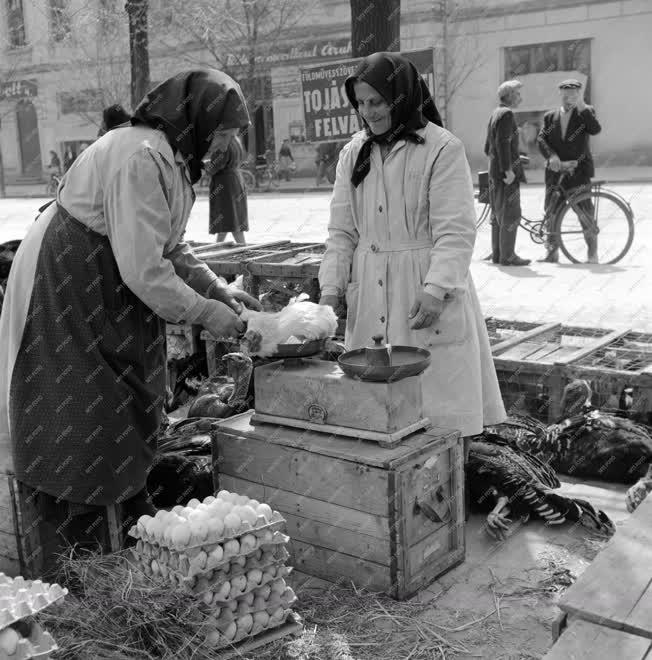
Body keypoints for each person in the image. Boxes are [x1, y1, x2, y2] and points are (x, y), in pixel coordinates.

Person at [0, 69, 261, 574]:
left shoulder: (176, 160)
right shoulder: (142, 157)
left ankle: (118, 536)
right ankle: (73, 563)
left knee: (118, 402)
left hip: (107, 283)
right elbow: (145, 270)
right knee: (77, 410)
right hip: (71, 285)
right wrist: (211, 315)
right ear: (201, 120)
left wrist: (217, 289)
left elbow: (171, 245)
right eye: (225, 132)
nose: (229, 145)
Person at [318, 52, 506, 468]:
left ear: (400, 97)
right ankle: (392, 507)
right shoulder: (355, 154)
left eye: (377, 101)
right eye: (361, 104)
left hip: (425, 289)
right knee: (379, 407)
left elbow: (455, 230)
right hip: (371, 290)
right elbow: (341, 231)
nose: (368, 113)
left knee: (442, 404)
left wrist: (437, 288)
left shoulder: (442, 148)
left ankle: (446, 499)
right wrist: (330, 293)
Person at [537, 79, 602, 264]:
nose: (568, 98)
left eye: (573, 94)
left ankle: (592, 254)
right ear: (560, 95)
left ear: (579, 95)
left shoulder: (585, 113)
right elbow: (541, 139)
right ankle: (551, 253)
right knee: (551, 211)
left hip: (578, 171)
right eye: (565, 95)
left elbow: (595, 129)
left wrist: (581, 105)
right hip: (555, 173)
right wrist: (552, 156)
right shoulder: (550, 116)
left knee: (584, 212)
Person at [483, 80, 530, 266]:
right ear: (510, 96)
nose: (520, 97)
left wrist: (507, 161)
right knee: (511, 214)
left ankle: (498, 255)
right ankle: (508, 256)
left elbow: (488, 148)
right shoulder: (507, 114)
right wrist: (508, 169)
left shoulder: (495, 113)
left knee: (497, 215)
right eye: (518, 94)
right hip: (505, 175)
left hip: (494, 173)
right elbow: (503, 144)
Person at [205, 134, 249, 244]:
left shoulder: (223, 143)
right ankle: (219, 247)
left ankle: (243, 249)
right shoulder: (235, 139)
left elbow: (214, 167)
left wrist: (203, 165)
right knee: (230, 220)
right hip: (235, 180)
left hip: (225, 185)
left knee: (230, 221)